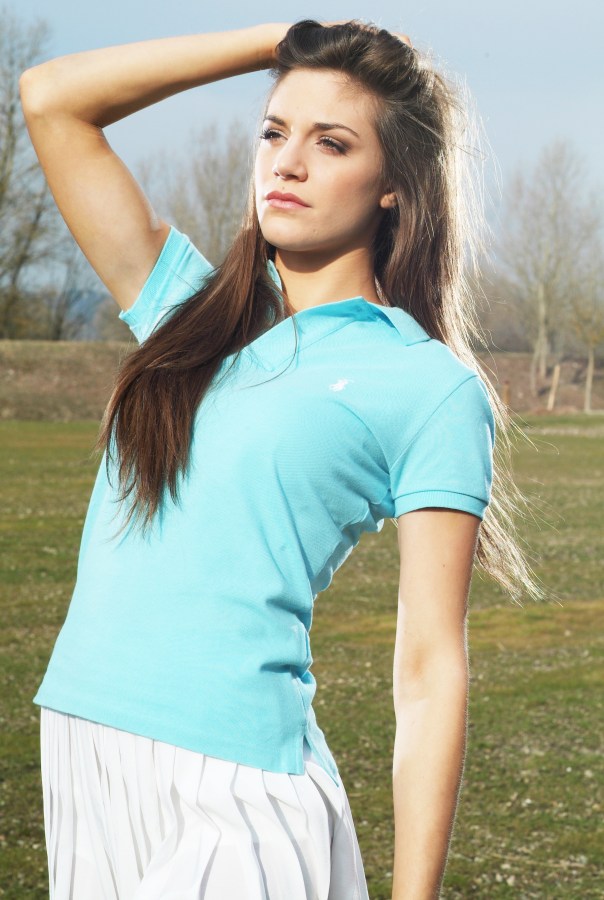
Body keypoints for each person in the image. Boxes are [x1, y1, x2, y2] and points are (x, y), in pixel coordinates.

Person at [20, 18, 545, 900]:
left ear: (393, 186)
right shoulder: (192, 311)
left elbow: (429, 671)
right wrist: (277, 41)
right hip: (85, 749)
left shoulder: (425, 386)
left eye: (331, 143)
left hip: (242, 789)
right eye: (273, 132)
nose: (287, 164)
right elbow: (51, 100)